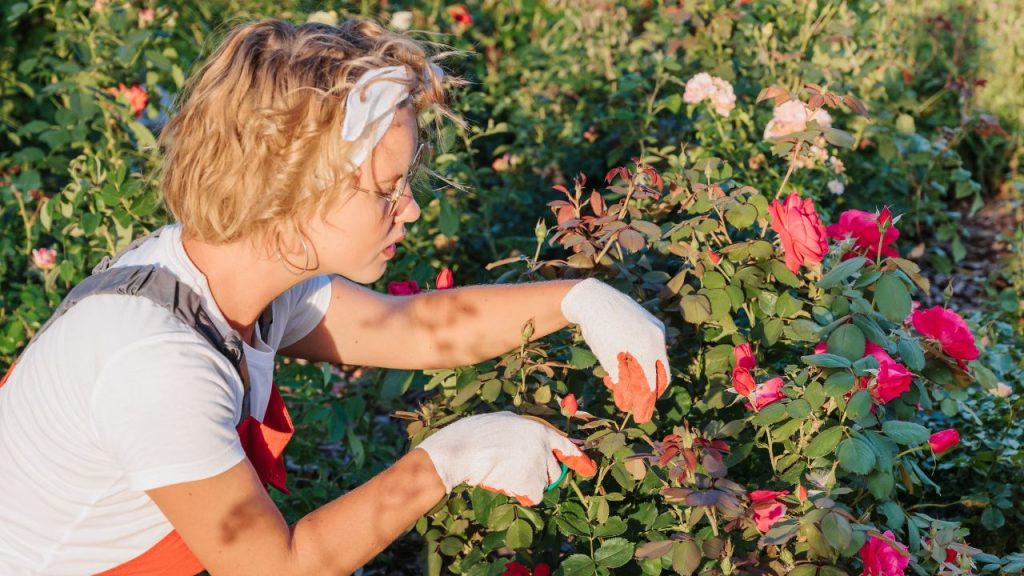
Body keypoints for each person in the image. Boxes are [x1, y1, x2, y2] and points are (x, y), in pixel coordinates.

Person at [0, 18, 670, 575]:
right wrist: (454, 456)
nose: (409, 209)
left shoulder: (239, 264)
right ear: (292, 190)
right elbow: (281, 569)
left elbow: (409, 328)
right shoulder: (157, 363)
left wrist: (583, 300)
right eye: (385, 189)